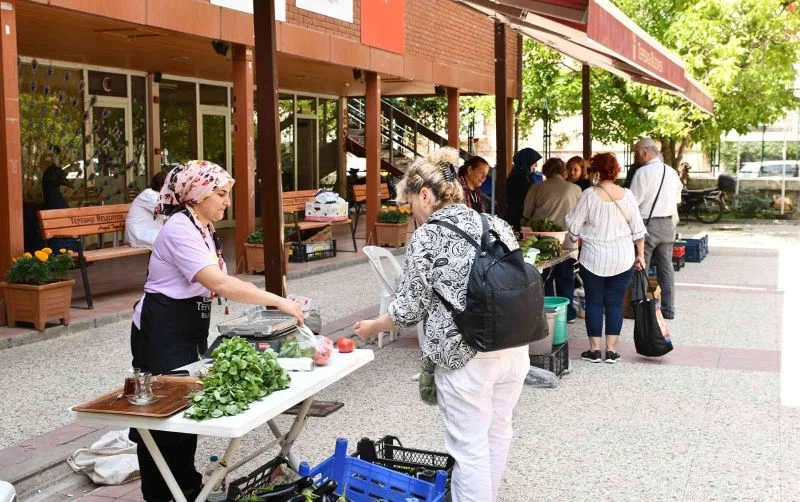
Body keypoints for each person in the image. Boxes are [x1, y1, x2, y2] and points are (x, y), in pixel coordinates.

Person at [353, 147, 529, 502]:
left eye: (411, 205)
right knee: (498, 432)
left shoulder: (428, 236)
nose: (412, 214)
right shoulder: (492, 223)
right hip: (514, 344)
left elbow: (407, 310)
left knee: (468, 448)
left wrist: (373, 327)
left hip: (465, 354)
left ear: (425, 195)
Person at [128, 160, 304, 502]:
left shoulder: (202, 227)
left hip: (189, 325)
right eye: (221, 194)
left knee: (188, 405)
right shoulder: (179, 228)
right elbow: (218, 282)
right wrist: (277, 301)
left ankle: (187, 486)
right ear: (197, 195)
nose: (226, 202)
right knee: (163, 415)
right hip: (162, 328)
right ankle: (162, 493)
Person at [566, 153, 647, 364]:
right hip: (622, 257)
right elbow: (638, 229)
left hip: (594, 258)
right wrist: (640, 255)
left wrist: (576, 230)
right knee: (614, 303)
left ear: (596, 172)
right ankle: (611, 351)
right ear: (616, 171)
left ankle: (594, 351)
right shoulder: (628, 195)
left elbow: (573, 226)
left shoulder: (589, 195)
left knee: (594, 302)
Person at [628, 137, 682, 319]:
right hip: (667, 225)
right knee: (666, 268)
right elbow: (677, 199)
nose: (636, 156)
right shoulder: (672, 172)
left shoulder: (642, 173)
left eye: (636, 152)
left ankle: (638, 310)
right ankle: (668, 309)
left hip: (647, 225)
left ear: (644, 152)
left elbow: (633, 203)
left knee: (641, 266)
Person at [522, 157, 582, 322]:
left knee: (545, 277)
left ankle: (547, 312)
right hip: (568, 240)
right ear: (564, 171)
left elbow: (526, 214)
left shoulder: (537, 188)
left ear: (546, 172)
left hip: (541, 241)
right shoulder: (575, 189)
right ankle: (568, 313)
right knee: (566, 277)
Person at [124, 171, 168, 248]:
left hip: (148, 232)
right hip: (139, 234)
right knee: (172, 242)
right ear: (161, 185)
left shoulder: (158, 195)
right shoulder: (149, 195)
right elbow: (166, 210)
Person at [505, 147, 542, 230]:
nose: (536, 165)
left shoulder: (522, 175)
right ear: (527, 161)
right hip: (518, 217)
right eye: (534, 162)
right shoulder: (519, 178)